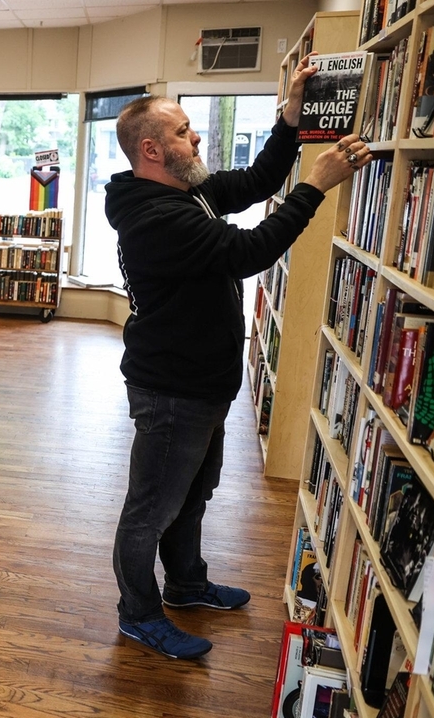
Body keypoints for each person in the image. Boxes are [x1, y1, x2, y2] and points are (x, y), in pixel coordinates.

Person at [105, 54, 371, 660]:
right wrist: (315, 185)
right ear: (151, 150)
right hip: (172, 388)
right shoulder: (157, 217)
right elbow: (251, 251)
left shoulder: (188, 193)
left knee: (193, 494)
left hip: (203, 380)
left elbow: (253, 185)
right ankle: (138, 613)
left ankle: (188, 584)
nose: (194, 136)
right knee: (151, 508)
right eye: (181, 131)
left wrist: (290, 123)